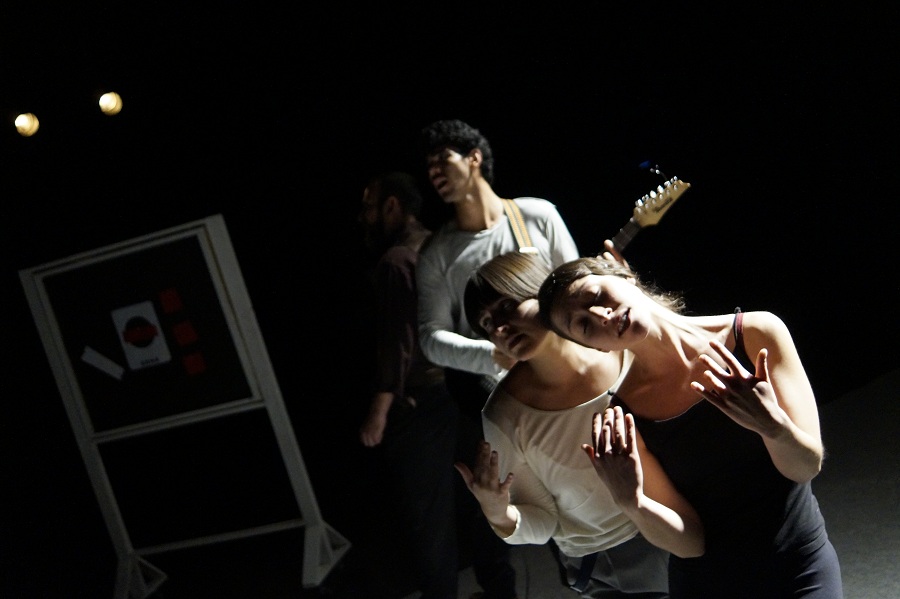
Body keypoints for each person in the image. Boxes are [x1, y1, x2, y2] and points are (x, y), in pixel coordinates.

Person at [537, 255, 844, 599]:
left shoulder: (754, 333)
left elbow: (805, 467)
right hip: (709, 584)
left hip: (800, 565)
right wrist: (633, 502)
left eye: (596, 296)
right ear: (594, 347)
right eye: (583, 325)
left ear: (625, 275)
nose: (600, 315)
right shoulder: (624, 415)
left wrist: (772, 425)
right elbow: (691, 544)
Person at [456, 250, 703, 598]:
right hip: (615, 558)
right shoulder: (503, 414)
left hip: (697, 511)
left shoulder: (620, 340)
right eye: (486, 324)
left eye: (507, 306)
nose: (499, 327)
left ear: (542, 291)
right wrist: (500, 514)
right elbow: (544, 521)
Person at [416, 119, 580, 599]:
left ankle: (584, 574)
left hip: (562, 382)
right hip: (493, 399)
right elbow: (429, 338)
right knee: (501, 496)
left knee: (573, 484)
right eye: (428, 167)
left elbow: (573, 286)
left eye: (442, 160)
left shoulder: (535, 215)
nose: (433, 173)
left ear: (474, 158)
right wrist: (493, 354)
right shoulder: (437, 251)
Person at [357, 171, 460, 599]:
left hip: (423, 400)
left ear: (392, 206)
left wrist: (379, 410)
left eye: (369, 207)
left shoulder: (397, 260)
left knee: (429, 518)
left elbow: (398, 341)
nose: (363, 217)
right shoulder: (440, 246)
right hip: (460, 390)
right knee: (474, 502)